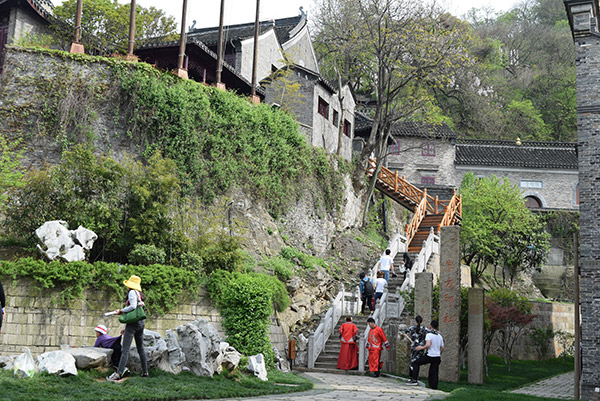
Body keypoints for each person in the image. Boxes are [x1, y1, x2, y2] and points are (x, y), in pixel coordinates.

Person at [107, 275, 148, 381]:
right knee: (141, 348)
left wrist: (121, 311)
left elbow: (133, 307)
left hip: (133, 324)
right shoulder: (139, 294)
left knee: (125, 349)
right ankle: (145, 371)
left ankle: (118, 373)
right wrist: (126, 327)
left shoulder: (131, 293)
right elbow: (135, 313)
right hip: (140, 323)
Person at [407, 319, 444, 389]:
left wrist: (421, 347)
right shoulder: (440, 336)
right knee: (434, 372)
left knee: (415, 363)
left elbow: (428, 345)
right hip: (437, 357)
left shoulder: (429, 335)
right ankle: (434, 386)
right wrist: (439, 353)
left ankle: (414, 379)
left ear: (430, 326)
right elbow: (442, 348)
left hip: (430, 355)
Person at [402, 315, 429, 380]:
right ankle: (416, 376)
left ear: (415, 320)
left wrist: (410, 340)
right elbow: (432, 332)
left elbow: (403, 332)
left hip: (414, 346)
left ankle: (411, 376)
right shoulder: (424, 328)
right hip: (421, 347)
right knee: (418, 361)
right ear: (422, 320)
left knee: (412, 360)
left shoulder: (412, 327)